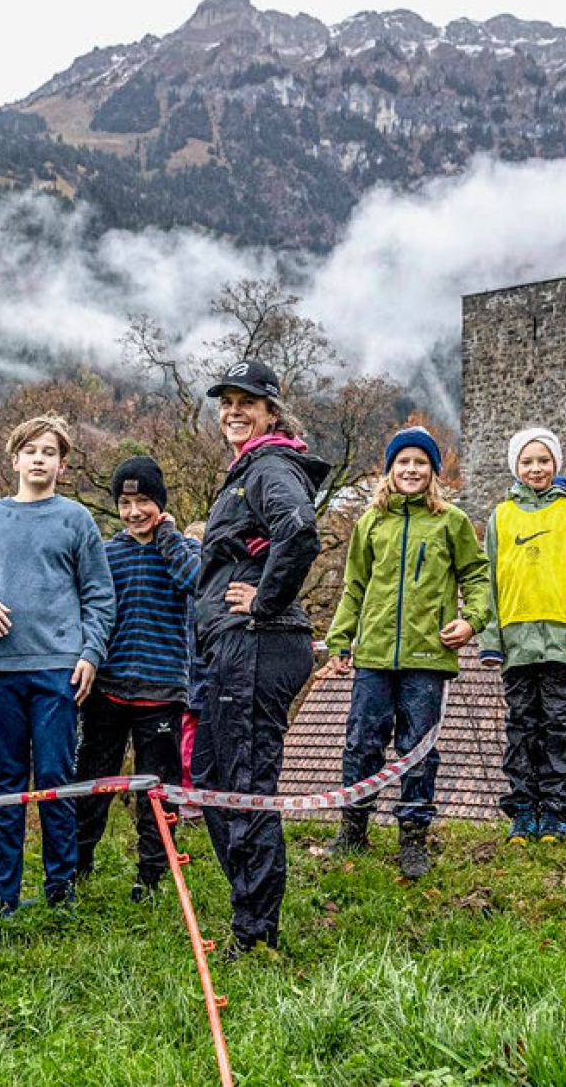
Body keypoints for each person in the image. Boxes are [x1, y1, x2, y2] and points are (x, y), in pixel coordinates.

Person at [193, 360, 328, 958]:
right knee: (212, 780)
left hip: (258, 643)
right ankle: (250, 909)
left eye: (246, 401)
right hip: (234, 643)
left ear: (272, 411)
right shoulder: (247, 470)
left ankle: (255, 934)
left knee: (244, 786)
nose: (233, 411)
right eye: (226, 402)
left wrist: (265, 601)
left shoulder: (271, 466)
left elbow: (299, 530)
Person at [0, 414, 116, 914]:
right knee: (7, 785)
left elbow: (100, 595)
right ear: (16, 459)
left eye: (49, 452)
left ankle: (59, 892)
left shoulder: (75, 520)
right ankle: (4, 896)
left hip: (58, 669)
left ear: (62, 465)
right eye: (32, 450)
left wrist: (91, 653)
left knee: (53, 779)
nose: (39, 459)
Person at [323, 426, 488, 879]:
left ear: (432, 471)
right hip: (373, 655)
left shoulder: (451, 522)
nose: (411, 469)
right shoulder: (370, 522)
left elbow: (477, 577)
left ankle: (413, 839)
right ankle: (353, 829)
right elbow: (353, 586)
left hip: (428, 656)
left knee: (419, 748)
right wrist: (341, 639)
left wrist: (472, 619)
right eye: (403, 462)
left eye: (420, 463)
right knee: (361, 742)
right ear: (390, 470)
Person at [74, 456, 201, 902]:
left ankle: (149, 877)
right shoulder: (107, 554)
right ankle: (78, 866)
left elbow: (196, 583)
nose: (134, 512)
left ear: (160, 503)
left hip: (162, 692)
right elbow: (90, 613)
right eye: (126, 503)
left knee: (156, 791)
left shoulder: (183, 550)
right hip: (108, 691)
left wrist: (166, 535)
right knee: (91, 783)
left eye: (143, 501)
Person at [477, 427, 566, 845]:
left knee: (559, 726)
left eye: (543, 460)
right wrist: (490, 640)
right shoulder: (500, 516)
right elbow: (487, 582)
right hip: (516, 642)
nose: (536, 468)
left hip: (564, 642)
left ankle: (555, 810)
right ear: (515, 466)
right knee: (521, 726)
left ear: (556, 464)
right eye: (527, 461)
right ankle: (522, 809)